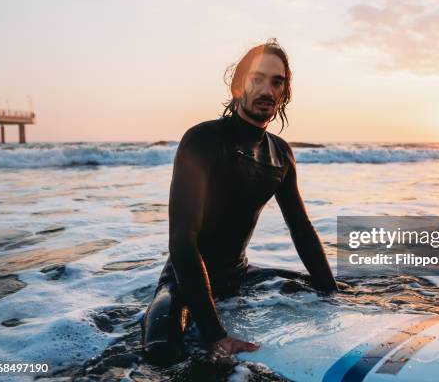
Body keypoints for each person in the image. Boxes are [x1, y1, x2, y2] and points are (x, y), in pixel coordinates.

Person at [141, 39, 338, 365]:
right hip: (184, 282)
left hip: (240, 276)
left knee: (328, 288)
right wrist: (216, 334)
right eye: (257, 78)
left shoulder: (281, 154)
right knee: (162, 353)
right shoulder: (202, 141)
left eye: (277, 82)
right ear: (237, 84)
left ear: (284, 92)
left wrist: (333, 297)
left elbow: (301, 229)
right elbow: (182, 241)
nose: (267, 89)